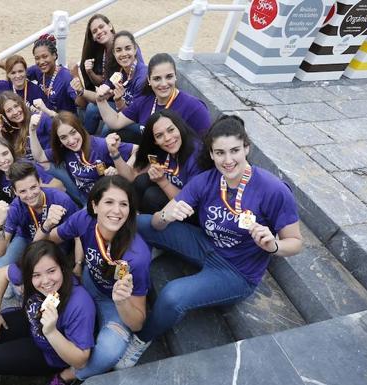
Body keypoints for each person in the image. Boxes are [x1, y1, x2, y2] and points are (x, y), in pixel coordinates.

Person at [114, 115, 303, 368]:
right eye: (220, 153)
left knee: (172, 295)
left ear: (247, 147)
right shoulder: (206, 180)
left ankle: (141, 339)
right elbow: (160, 222)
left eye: (235, 150)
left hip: (236, 271)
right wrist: (164, 215)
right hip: (206, 243)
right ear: (211, 155)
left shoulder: (272, 189)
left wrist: (275, 246)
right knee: (139, 222)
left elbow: (296, 242)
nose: (228, 160)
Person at [37, 176, 151, 381]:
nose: (116, 211)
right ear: (95, 205)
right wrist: (46, 227)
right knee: (44, 314)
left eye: (123, 204)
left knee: (109, 351)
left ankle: (66, 376)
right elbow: (50, 241)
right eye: (109, 202)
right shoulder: (84, 219)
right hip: (87, 283)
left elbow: (137, 324)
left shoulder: (138, 256)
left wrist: (122, 301)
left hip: (115, 305)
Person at [0, 240, 96, 385]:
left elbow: (81, 361)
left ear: (62, 268)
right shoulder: (30, 271)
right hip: (31, 321)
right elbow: (2, 274)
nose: (46, 281)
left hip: (49, 351)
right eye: (36, 275)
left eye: (51, 271)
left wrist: (51, 331)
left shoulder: (80, 304)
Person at [0, 137, 63, 282]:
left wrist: (32, 190)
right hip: (18, 221)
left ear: (12, 152)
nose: (2, 160)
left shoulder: (26, 167)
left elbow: (59, 186)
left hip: (41, 217)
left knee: (35, 256)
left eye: (5, 154)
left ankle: (18, 274)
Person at [0, 162, 78, 297]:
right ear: (15, 192)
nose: (30, 195)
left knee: (32, 287)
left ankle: (19, 283)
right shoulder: (15, 207)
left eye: (33, 187)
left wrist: (79, 263)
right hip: (26, 239)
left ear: (40, 182)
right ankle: (17, 282)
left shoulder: (61, 200)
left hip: (54, 244)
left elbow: (78, 234)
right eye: (23, 191)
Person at [95, 53, 211, 140]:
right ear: (149, 80)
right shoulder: (144, 102)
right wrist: (100, 101)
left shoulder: (195, 108)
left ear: (176, 76)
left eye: (169, 77)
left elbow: (206, 145)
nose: (164, 83)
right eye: (157, 78)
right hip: (153, 164)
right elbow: (116, 121)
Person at [30, 111, 136, 204]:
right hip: (84, 197)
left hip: (107, 199)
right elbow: (39, 157)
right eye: (64, 137)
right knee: (43, 164)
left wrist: (121, 169)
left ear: (80, 128)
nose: (71, 141)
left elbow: (138, 150)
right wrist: (32, 131)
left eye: (73, 132)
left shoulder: (100, 145)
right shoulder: (64, 149)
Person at [115, 109, 203, 214]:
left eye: (171, 130)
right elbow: (132, 176)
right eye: (159, 135)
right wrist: (114, 153)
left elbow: (187, 201)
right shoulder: (160, 150)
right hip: (171, 190)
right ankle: (133, 214)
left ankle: (147, 225)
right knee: (141, 180)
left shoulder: (197, 156)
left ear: (180, 127)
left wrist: (162, 181)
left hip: (190, 208)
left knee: (152, 196)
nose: (167, 138)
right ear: (155, 141)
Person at [73, 31, 147, 143]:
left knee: (109, 127)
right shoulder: (120, 71)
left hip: (141, 123)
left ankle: (99, 152)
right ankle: (85, 140)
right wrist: (81, 91)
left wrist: (118, 101)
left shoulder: (142, 77)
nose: (123, 53)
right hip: (124, 110)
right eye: (118, 50)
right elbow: (102, 93)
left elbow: (134, 115)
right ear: (113, 53)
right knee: (92, 108)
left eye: (128, 48)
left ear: (135, 49)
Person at [0, 91, 53, 161]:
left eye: (16, 106)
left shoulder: (41, 119)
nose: (15, 112)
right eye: (9, 110)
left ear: (22, 105)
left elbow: (60, 144)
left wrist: (44, 159)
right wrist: (0, 141)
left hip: (49, 164)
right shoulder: (7, 132)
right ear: (4, 116)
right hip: (27, 169)